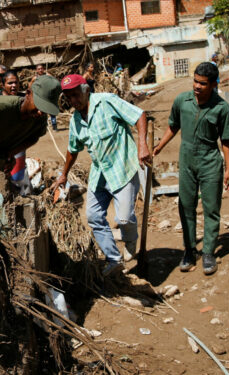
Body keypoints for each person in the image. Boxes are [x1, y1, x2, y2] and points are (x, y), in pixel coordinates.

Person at [50, 74, 151, 275]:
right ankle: (114, 259)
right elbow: (73, 149)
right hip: (100, 173)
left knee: (123, 219)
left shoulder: (107, 101)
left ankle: (131, 240)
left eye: (76, 94)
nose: (73, 100)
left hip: (123, 167)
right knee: (94, 216)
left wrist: (142, 144)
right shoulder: (76, 121)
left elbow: (139, 115)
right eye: (69, 97)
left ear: (86, 90)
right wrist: (63, 175)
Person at [154, 62, 229, 275]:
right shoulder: (182, 101)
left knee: (211, 209)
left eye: (203, 83)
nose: (197, 86)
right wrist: (159, 147)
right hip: (187, 161)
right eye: (195, 81)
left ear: (214, 84)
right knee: (186, 206)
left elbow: (226, 141)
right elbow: (173, 126)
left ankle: (208, 252)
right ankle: (189, 250)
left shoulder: (222, 108)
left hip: (210, 162)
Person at [30, 64, 57, 130]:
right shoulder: (35, 78)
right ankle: (43, 127)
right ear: (36, 70)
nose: (40, 70)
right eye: (39, 69)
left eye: (41, 68)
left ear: (44, 69)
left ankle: (54, 126)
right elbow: (30, 85)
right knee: (41, 112)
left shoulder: (48, 75)